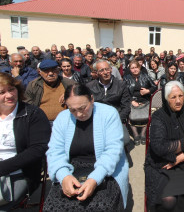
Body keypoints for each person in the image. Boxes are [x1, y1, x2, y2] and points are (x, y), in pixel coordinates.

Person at [44, 83, 129, 211]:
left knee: (100, 206)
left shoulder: (109, 114)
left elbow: (113, 150)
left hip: (105, 169)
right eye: (72, 109)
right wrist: (63, 176)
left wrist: (95, 178)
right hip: (71, 169)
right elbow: (55, 151)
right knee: (54, 207)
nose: (78, 114)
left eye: (83, 108)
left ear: (92, 99)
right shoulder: (62, 118)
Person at [144, 81, 184, 212]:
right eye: (173, 97)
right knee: (168, 200)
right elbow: (159, 147)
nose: (178, 101)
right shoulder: (159, 117)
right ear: (166, 99)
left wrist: (181, 157)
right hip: (161, 163)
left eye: (181, 96)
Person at [0, 73, 51, 211]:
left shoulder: (32, 114)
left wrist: (3, 167)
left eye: (11, 89)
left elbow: (38, 149)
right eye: (2, 92)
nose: (9, 95)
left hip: (20, 171)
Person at [86, 60, 131, 147]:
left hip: (116, 119)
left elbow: (126, 107)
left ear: (111, 69)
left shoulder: (121, 85)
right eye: (102, 70)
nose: (105, 72)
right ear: (97, 73)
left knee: (125, 140)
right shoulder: (90, 86)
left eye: (107, 69)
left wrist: (117, 120)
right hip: (96, 120)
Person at [124, 60, 157, 145]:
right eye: (132, 68)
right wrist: (131, 101)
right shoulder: (126, 78)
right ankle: (135, 135)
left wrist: (148, 90)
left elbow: (154, 87)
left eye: (136, 67)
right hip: (132, 100)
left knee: (147, 117)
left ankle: (142, 134)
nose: (135, 70)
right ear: (130, 69)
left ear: (139, 68)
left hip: (145, 100)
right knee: (131, 118)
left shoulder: (145, 76)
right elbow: (124, 92)